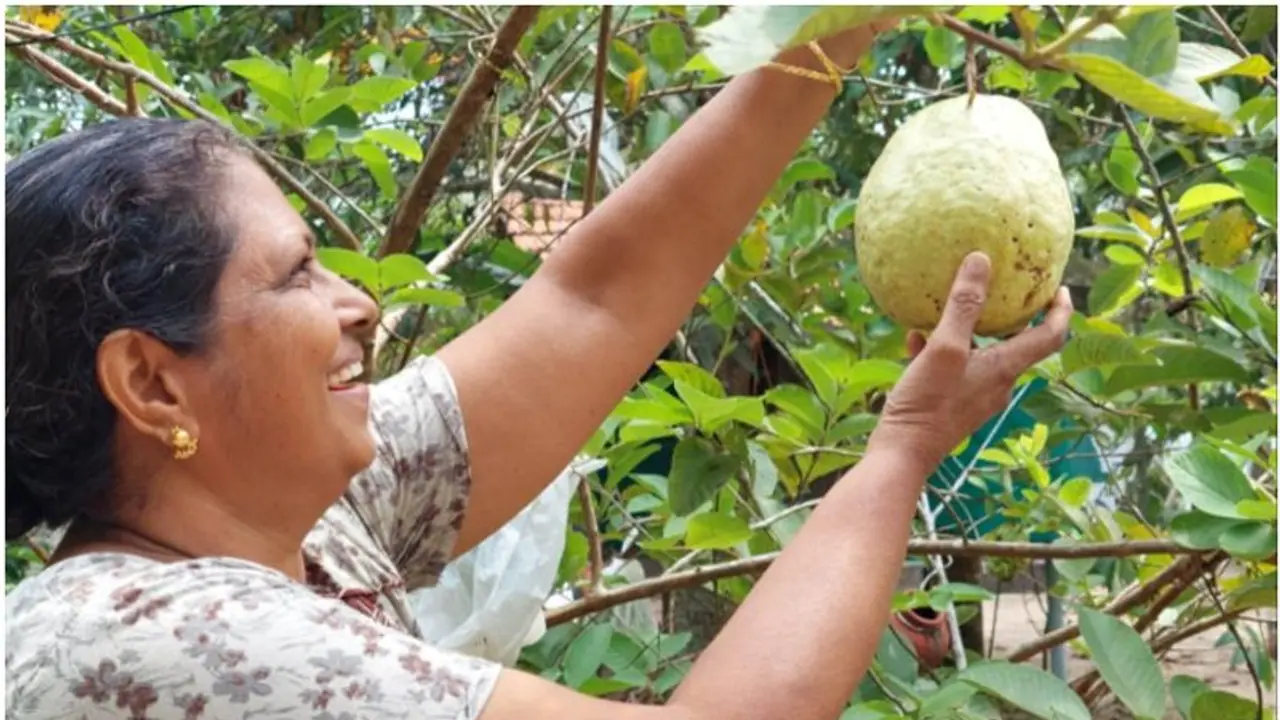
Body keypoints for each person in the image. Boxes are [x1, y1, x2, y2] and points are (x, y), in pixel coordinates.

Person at [5, 21, 1071, 720]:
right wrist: (901, 449)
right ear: (150, 384)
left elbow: (590, 303)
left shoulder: (290, 516)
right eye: (294, 277)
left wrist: (829, 31)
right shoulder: (153, 644)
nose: (357, 304)